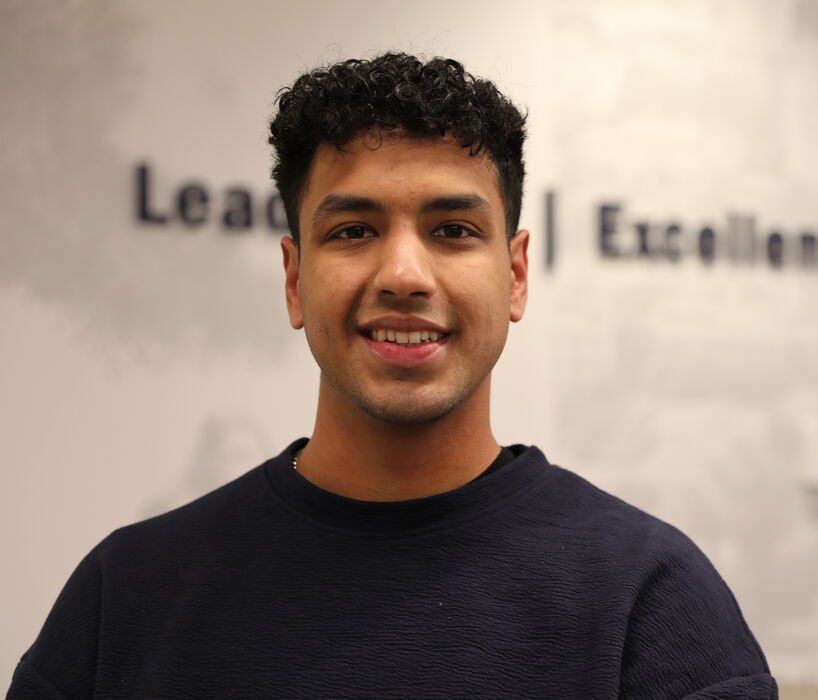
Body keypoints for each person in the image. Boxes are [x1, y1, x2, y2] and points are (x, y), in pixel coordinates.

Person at [8, 53, 775, 699]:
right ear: (293, 278)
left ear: (514, 276)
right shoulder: (126, 599)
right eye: (353, 231)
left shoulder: (653, 601)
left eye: (452, 230)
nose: (404, 273)